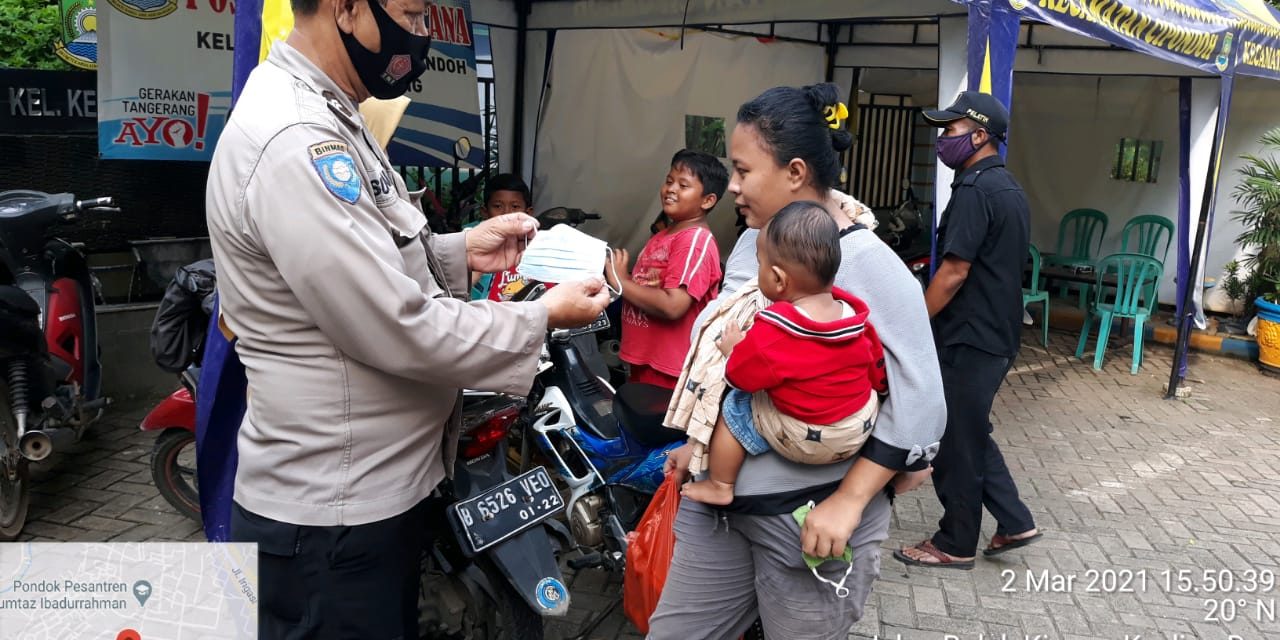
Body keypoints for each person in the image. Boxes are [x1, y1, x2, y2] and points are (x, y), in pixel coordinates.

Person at [203, 0, 611, 636]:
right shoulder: (294, 139)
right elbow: (395, 324)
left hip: (370, 495)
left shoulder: (337, 112)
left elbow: (367, 260)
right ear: (344, 8)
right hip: (332, 516)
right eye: (415, 15)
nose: (423, 36)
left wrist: (460, 250)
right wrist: (539, 317)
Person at [649, 83, 947, 640]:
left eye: (742, 170)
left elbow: (922, 401)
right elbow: (726, 364)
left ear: (794, 172)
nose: (732, 186)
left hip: (809, 521)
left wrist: (851, 501)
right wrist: (695, 440)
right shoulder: (753, 243)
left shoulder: (866, 262)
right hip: (721, 506)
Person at [894, 90, 1040, 569]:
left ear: (979, 135)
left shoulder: (977, 191)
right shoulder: (1008, 187)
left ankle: (955, 543)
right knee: (969, 430)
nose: (942, 139)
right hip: (995, 334)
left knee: (955, 438)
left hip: (969, 337)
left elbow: (953, 272)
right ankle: (1015, 519)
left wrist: (911, 322)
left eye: (950, 130)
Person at [681, 201, 888, 506]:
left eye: (759, 263)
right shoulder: (854, 316)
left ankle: (720, 484)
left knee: (735, 403)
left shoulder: (774, 330)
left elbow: (741, 377)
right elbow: (877, 370)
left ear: (778, 279)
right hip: (858, 428)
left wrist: (732, 349)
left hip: (806, 438)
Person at [606, 149, 727, 390]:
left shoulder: (694, 240)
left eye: (683, 185)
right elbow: (652, 289)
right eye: (669, 181)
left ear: (707, 200)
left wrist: (621, 281)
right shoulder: (662, 236)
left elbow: (673, 305)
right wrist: (627, 280)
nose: (671, 189)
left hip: (670, 370)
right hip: (646, 362)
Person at [467, 173, 535, 301]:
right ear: (485, 212)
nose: (507, 213)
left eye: (515, 207)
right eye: (498, 206)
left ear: (528, 213)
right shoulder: (471, 239)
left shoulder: (534, 245)